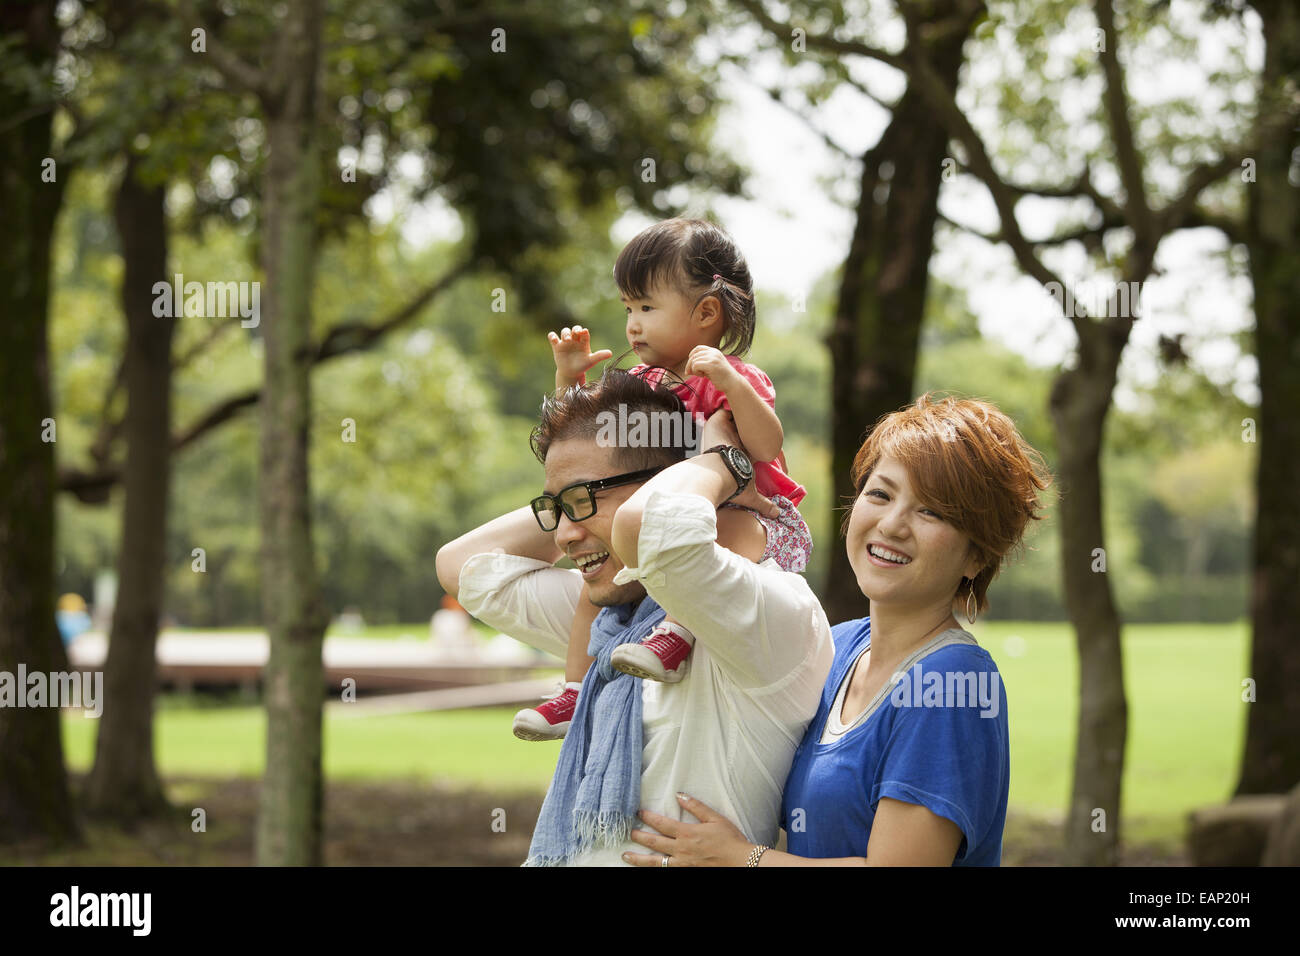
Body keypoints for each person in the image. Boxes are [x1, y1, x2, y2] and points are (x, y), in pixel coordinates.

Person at [623, 394, 1052, 866]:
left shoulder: (952, 682)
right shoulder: (841, 645)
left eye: (932, 512)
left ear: (977, 556)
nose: (892, 525)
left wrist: (741, 860)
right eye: (880, 494)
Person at [434, 369, 833, 866]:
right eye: (554, 510)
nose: (561, 537)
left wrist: (720, 460)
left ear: (665, 489)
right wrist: (573, 490)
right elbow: (461, 566)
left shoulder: (766, 614)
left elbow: (659, 533)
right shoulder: (618, 622)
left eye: (582, 501)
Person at [515, 217, 813, 741]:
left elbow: (766, 446)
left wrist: (726, 382)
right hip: (659, 523)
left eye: (647, 308)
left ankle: (676, 635)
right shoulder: (644, 384)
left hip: (748, 519)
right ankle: (575, 688)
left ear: (705, 313)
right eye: (628, 308)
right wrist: (570, 379)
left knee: (717, 534)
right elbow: (582, 440)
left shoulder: (733, 377)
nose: (632, 324)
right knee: (595, 584)